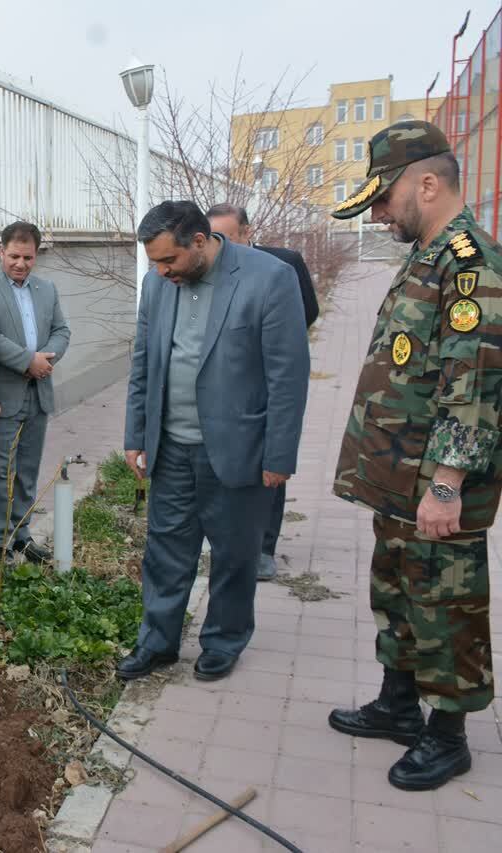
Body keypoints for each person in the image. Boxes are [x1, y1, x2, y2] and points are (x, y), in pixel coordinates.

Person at [327, 120, 499, 791]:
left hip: (436, 483)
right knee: (397, 589)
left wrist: (449, 483)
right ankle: (399, 704)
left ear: (428, 184)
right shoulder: (427, 254)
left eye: (383, 197)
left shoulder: (469, 263)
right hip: (399, 475)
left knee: (445, 603)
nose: (376, 212)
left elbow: (475, 382)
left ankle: (448, 733)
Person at [120, 200, 309, 683]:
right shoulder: (156, 286)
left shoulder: (269, 278)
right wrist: (136, 434)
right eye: (155, 262)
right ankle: (156, 643)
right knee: (165, 554)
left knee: (233, 554)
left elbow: (288, 375)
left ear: (199, 242)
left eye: (169, 261)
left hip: (238, 451)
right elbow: (144, 364)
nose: (161, 272)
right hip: (171, 449)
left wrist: (279, 454)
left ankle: (223, 642)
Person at [207, 202, 319, 581]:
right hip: (226, 383)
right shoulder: (210, 270)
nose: (220, 243)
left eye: (228, 234)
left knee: (269, 461)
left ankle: (264, 547)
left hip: (268, 377)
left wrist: (274, 341)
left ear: (247, 231)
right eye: (213, 235)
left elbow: (309, 309)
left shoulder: (282, 264)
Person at [0, 221, 71, 563]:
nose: (21, 264)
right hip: (3, 396)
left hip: (39, 392)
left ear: (36, 256)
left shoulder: (47, 289)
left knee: (28, 470)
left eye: (28, 257)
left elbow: (62, 330)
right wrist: (27, 361)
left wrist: (47, 359)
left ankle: (22, 535)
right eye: (14, 256)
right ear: (1, 252)